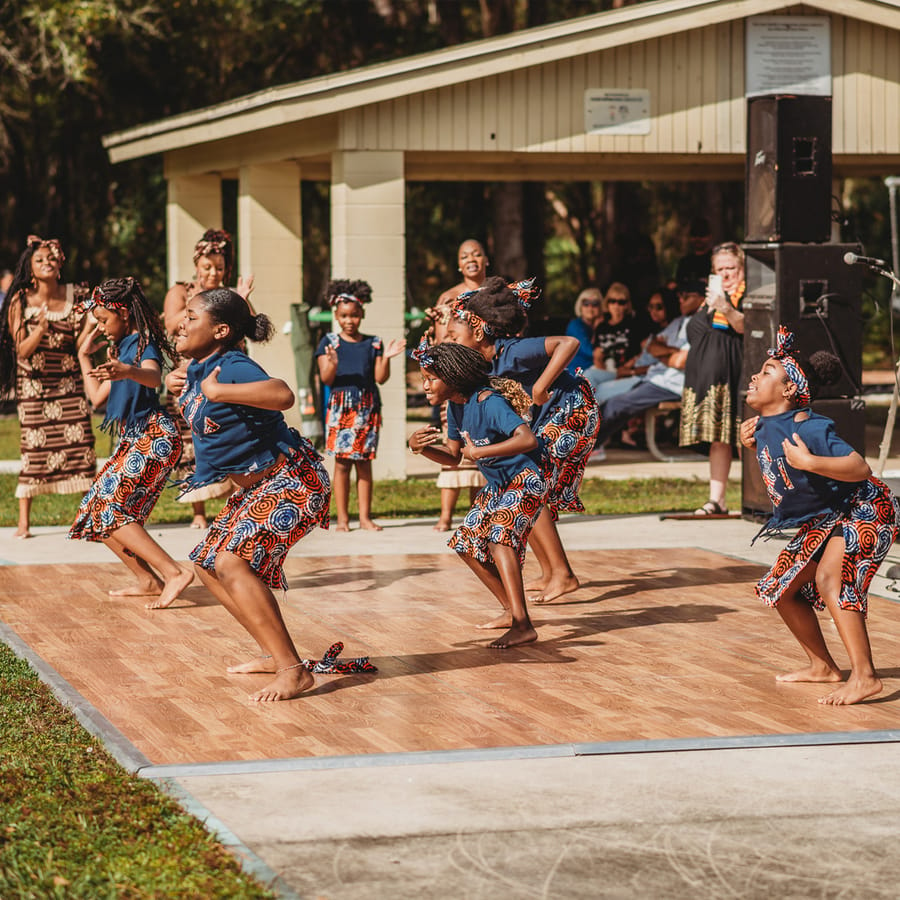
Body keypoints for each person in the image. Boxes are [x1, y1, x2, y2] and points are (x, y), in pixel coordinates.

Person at [168, 286, 331, 702]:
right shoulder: (200, 366)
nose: (181, 323)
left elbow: (281, 394)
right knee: (207, 563)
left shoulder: (233, 366)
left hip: (294, 480)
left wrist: (220, 393)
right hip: (259, 487)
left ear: (220, 330)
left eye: (191, 317)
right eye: (182, 315)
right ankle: (271, 653)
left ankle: (294, 671)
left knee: (232, 561)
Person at [741, 327, 899, 705]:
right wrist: (746, 442)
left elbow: (859, 467)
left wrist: (810, 460)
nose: (755, 376)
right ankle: (823, 666)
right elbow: (777, 477)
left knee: (832, 578)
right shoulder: (762, 427)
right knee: (782, 588)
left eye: (766, 371)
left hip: (867, 507)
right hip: (829, 517)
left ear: (789, 390)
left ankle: (865, 676)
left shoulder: (808, 426)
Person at [447, 276, 599, 604]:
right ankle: (551, 571)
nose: (451, 343)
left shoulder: (511, 351)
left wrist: (542, 385)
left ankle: (562, 573)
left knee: (529, 478)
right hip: (550, 417)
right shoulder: (483, 365)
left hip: (572, 411)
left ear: (477, 332)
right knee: (526, 480)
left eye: (454, 337)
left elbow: (568, 344)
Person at [408, 340, 547, 649]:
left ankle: (523, 625)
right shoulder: (455, 406)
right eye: (423, 379)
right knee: (466, 543)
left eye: (431, 378)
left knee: (499, 540)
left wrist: (480, 451)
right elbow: (455, 456)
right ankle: (512, 611)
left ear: (453, 377)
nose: (425, 385)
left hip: (525, 480)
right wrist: (420, 448)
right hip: (499, 485)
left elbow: (527, 440)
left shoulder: (489, 401)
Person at [70, 278, 193, 608]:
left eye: (103, 320)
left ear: (123, 314)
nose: (101, 327)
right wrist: (84, 355)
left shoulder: (142, 344)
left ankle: (174, 572)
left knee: (110, 509)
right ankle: (147, 580)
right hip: (132, 438)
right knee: (96, 510)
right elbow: (97, 397)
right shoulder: (119, 351)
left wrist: (127, 370)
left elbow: (153, 376)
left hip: (153, 436)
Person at [0, 236, 96, 538]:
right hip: (34, 388)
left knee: (81, 447)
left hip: (69, 383)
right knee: (34, 450)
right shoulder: (20, 299)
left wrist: (92, 327)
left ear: (60, 264)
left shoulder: (75, 295)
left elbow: (78, 345)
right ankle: (24, 523)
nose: (46, 263)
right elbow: (22, 351)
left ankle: (88, 519)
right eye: (40, 260)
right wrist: (40, 328)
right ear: (30, 266)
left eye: (51, 259)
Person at [163, 229, 253, 529]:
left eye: (219, 267)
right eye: (207, 267)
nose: (213, 273)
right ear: (196, 266)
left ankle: (236, 503)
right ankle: (198, 511)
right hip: (190, 372)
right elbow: (171, 324)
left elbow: (253, 326)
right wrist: (197, 307)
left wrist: (240, 299)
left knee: (232, 431)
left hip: (228, 372)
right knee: (194, 437)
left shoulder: (229, 294)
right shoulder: (180, 292)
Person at [316, 279, 405, 532]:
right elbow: (326, 378)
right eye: (344, 315)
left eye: (354, 315)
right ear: (336, 315)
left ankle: (365, 517)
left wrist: (386, 358)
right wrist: (332, 361)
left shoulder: (373, 343)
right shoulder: (328, 342)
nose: (349, 320)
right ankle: (343, 519)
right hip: (341, 408)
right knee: (342, 464)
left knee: (364, 463)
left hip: (367, 407)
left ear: (362, 314)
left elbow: (380, 378)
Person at [593, 281, 704, 449]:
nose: (681, 300)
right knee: (607, 399)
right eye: (680, 296)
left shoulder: (701, 324)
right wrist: (671, 353)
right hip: (655, 378)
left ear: (702, 299)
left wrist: (666, 355)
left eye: (686, 296)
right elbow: (652, 346)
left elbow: (681, 362)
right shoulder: (679, 321)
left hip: (671, 384)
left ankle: (581, 450)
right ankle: (586, 449)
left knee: (615, 405)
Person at [679, 242, 746, 516]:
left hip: (734, 375)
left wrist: (726, 307)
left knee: (745, 439)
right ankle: (717, 500)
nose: (726, 274)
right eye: (720, 269)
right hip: (705, 381)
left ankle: (760, 499)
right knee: (718, 439)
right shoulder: (712, 297)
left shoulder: (748, 296)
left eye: (731, 268)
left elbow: (747, 325)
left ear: (742, 268)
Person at [583, 283, 644, 395]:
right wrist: (606, 373)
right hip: (606, 370)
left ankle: (585, 411)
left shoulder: (634, 325)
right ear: (607, 303)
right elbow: (597, 357)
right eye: (612, 301)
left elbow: (642, 352)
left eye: (621, 302)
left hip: (626, 371)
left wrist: (626, 369)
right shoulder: (602, 327)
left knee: (594, 384)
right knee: (587, 376)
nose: (616, 305)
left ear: (627, 305)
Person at [564, 286, 603, 376]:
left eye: (594, 304)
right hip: (578, 373)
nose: (590, 307)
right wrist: (597, 329)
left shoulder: (603, 324)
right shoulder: (576, 325)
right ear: (580, 306)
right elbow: (590, 351)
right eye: (586, 303)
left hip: (596, 370)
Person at [674, 216, 713, 286]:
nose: (698, 238)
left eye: (702, 235)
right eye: (694, 235)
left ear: (709, 236)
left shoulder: (715, 260)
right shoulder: (685, 262)